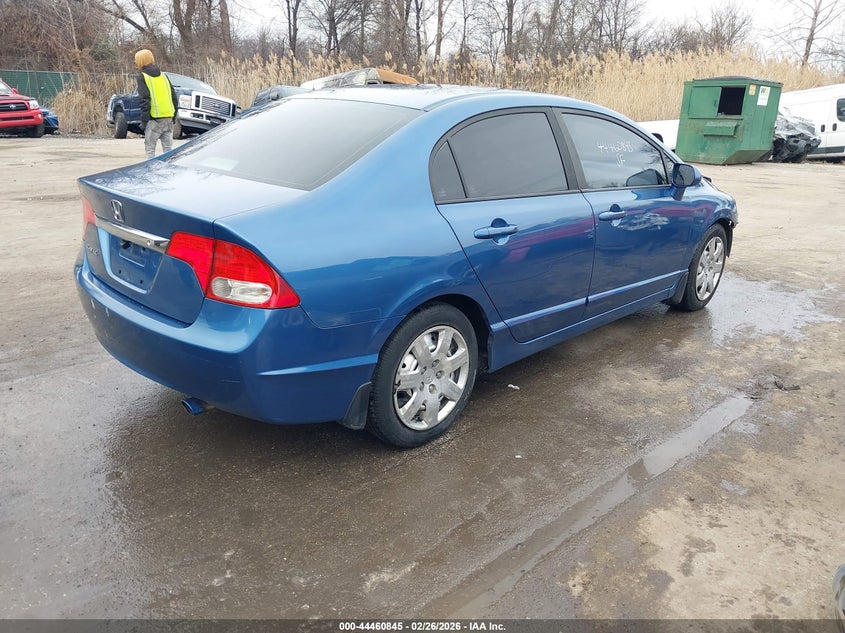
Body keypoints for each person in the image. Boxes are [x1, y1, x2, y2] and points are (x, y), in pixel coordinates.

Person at [134, 49, 177, 158]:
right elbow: (174, 97)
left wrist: (144, 123)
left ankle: (150, 173)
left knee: (150, 150)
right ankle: (170, 172)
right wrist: (174, 117)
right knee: (168, 152)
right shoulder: (164, 76)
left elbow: (144, 101)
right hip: (168, 118)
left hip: (155, 120)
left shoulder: (142, 77)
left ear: (140, 61)